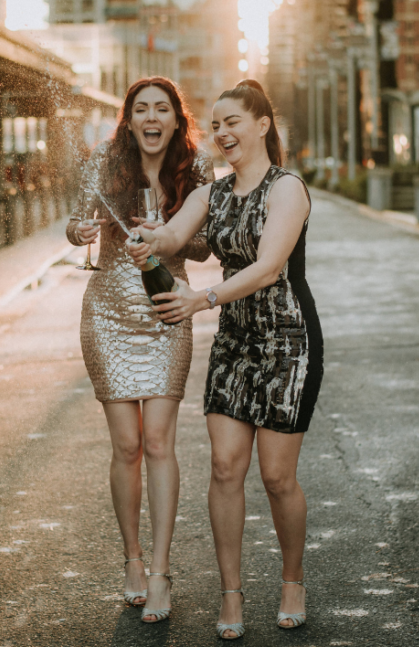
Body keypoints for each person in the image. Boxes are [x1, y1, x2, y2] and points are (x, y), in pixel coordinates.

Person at [127, 79, 322, 639]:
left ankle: (292, 580)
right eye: (215, 124)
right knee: (224, 468)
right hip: (236, 341)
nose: (222, 133)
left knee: (277, 477)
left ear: (262, 125)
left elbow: (265, 268)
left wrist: (201, 298)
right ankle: (231, 594)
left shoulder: (288, 189)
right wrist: (150, 238)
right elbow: (172, 236)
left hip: (287, 339)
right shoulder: (212, 193)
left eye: (233, 121)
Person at [66, 76, 214, 623]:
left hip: (166, 310)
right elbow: (75, 222)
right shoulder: (107, 163)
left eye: (162, 109)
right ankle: (130, 560)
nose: (152, 118)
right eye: (141, 110)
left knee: (158, 442)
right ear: (128, 121)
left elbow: (203, 246)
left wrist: (170, 232)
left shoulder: (196, 170)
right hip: (107, 311)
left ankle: (159, 571)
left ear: (177, 119)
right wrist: (77, 230)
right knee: (126, 446)